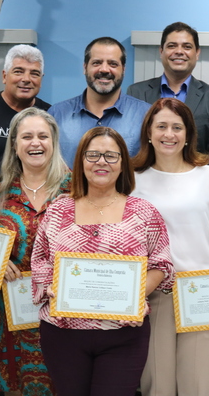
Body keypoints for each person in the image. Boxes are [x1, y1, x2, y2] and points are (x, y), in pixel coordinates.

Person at [31, 127, 174, 396]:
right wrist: (50, 286)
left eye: (111, 156)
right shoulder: (58, 210)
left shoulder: (144, 212)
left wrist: (131, 298)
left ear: (123, 164)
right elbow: (39, 260)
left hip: (123, 336)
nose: (101, 162)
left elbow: (161, 265)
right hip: (62, 333)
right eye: (93, 154)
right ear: (80, 161)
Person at [131, 98, 209, 396]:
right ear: (149, 133)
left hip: (204, 293)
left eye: (177, 127)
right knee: (158, 387)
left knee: (198, 387)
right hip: (153, 297)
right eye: (162, 126)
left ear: (188, 134)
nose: (169, 134)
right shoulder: (131, 179)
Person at [0, 107, 71, 396]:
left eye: (43, 136)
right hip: (8, 313)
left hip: (61, 310)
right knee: (14, 386)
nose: (35, 143)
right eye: (26, 136)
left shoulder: (77, 190)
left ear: (53, 142)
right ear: (14, 144)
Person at [127, 22, 209, 175]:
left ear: (197, 53)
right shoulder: (137, 93)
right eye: (172, 46)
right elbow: (131, 146)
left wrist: (189, 181)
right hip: (145, 185)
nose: (179, 51)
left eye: (187, 47)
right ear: (161, 51)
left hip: (194, 189)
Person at [50, 37, 151, 168]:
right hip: (70, 189)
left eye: (113, 64)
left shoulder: (145, 115)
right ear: (85, 67)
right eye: (97, 63)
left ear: (123, 69)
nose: (104, 69)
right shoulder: (57, 115)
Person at [0, 44, 51, 179]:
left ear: (41, 80)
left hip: (32, 197)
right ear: (5, 76)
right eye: (18, 71)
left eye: (34, 74)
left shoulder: (50, 115)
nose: (26, 79)